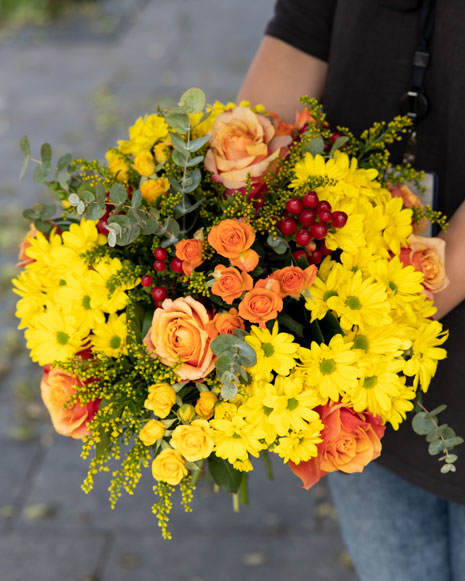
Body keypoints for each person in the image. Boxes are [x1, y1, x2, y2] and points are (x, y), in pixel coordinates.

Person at [237, 1, 465, 580]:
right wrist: (225, 222)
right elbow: (300, 36)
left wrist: (374, 321)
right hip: (347, 343)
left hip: (363, 328)